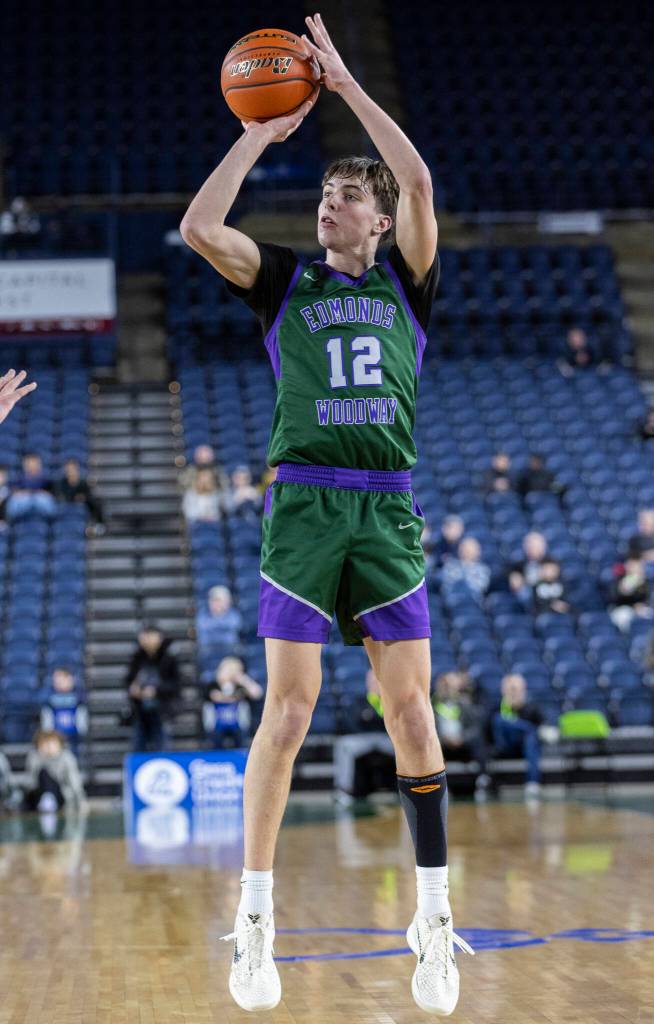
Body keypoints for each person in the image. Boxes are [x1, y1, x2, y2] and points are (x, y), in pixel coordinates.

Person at [181, 12, 473, 1014]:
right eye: (321, 196)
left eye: (343, 199)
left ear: (378, 221)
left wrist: (345, 89)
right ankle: (255, 920)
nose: (324, 209)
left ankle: (433, 918)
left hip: (386, 514)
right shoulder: (284, 282)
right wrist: (258, 137)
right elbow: (200, 229)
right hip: (303, 511)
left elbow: (424, 183)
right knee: (292, 709)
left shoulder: (409, 282)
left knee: (413, 717)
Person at [333, 669, 395, 801]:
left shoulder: (390, 700)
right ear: (367, 682)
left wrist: (370, 718)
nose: (375, 684)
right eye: (373, 680)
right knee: (344, 745)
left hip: (387, 739)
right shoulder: (359, 701)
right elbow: (353, 724)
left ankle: (405, 788)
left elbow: (392, 724)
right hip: (363, 739)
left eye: (378, 680)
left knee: (404, 745)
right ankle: (344, 790)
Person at [124, 625, 182, 752]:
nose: (147, 640)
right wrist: (134, 689)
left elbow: (176, 684)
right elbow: (128, 681)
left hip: (162, 710)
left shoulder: (169, 657)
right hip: (140, 711)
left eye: (151, 636)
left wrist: (155, 691)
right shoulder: (137, 657)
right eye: (145, 637)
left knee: (162, 748)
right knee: (138, 748)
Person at [432, 672, 489, 796]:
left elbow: (474, 728)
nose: (446, 689)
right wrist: (444, 739)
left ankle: (483, 778)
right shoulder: (432, 706)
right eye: (443, 686)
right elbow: (430, 730)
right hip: (442, 746)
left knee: (479, 741)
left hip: (462, 744)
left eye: (449, 686)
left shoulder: (464, 705)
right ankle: (435, 785)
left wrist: (462, 738)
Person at [490, 674, 543, 798]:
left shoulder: (531, 707)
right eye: (510, 689)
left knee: (531, 737)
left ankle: (532, 783)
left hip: (526, 748)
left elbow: (541, 728)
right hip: (503, 746)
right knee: (499, 720)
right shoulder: (497, 707)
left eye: (516, 689)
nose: (513, 693)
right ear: (503, 690)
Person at [202, 656, 264, 749]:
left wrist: (244, 680)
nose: (231, 674)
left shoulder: (240, 687)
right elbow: (214, 696)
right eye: (228, 670)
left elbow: (257, 694)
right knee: (215, 735)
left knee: (242, 733)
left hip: (239, 724)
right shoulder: (213, 685)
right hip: (217, 723)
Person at [23, 730, 86, 812]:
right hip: (38, 794)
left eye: (52, 743)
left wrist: (81, 800)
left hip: (61, 795)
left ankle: (49, 801)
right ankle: (46, 801)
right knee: (43, 773)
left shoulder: (67, 758)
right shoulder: (34, 757)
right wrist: (42, 759)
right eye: (45, 744)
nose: (49, 747)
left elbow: (74, 781)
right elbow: (30, 783)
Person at [40, 666, 88, 759]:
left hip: (75, 735)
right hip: (54, 736)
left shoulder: (79, 693)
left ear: (69, 679)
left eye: (61, 679)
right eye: (56, 680)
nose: (57, 682)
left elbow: (83, 705)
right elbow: (41, 703)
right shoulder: (48, 694)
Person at [5, 452, 56, 521]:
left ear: (39, 464)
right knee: (15, 500)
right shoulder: (20, 478)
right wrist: (20, 492)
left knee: (44, 499)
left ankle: (50, 523)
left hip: (40, 499)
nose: (32, 465)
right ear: (25, 465)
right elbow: (14, 490)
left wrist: (41, 492)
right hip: (24, 499)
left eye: (34, 463)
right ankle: (11, 523)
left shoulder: (46, 478)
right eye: (29, 463)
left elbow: (51, 491)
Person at [56, 458, 104, 531]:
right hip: (67, 503)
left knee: (96, 502)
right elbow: (62, 495)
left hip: (83, 503)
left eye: (72, 468)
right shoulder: (62, 482)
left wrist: (83, 497)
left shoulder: (83, 482)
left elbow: (88, 495)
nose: (70, 471)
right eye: (68, 468)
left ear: (76, 469)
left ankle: (98, 524)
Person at [441, 537, 490, 605]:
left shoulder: (483, 569)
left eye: (471, 549)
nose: (467, 551)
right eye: (464, 548)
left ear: (478, 551)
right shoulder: (450, 566)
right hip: (452, 602)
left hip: (473, 603)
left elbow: (480, 588)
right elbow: (446, 586)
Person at [609, 557, 652, 633]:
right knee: (624, 615)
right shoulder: (620, 580)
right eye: (633, 566)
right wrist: (625, 587)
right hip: (623, 609)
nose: (636, 569)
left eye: (639, 566)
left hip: (640, 609)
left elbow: (647, 598)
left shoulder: (645, 581)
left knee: (648, 613)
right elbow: (615, 598)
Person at [196, 586, 243, 652]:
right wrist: (222, 627)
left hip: (229, 650)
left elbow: (235, 626)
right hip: (208, 651)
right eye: (213, 600)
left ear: (227, 602)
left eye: (219, 600)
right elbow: (202, 626)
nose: (216, 603)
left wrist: (213, 625)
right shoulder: (202, 614)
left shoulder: (233, 614)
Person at [509, 530, 548, 597]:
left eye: (536, 546)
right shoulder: (517, 566)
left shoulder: (551, 564)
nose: (533, 548)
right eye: (530, 545)